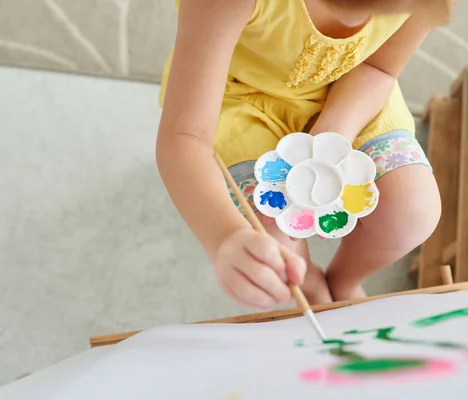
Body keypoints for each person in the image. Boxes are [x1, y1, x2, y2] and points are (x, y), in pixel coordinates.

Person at [155, 0, 451, 311]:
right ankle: (308, 282)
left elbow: (379, 67)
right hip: (238, 98)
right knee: (274, 241)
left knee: (412, 214)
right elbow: (186, 135)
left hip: (352, 85)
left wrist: (329, 139)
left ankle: (344, 279)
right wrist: (225, 238)